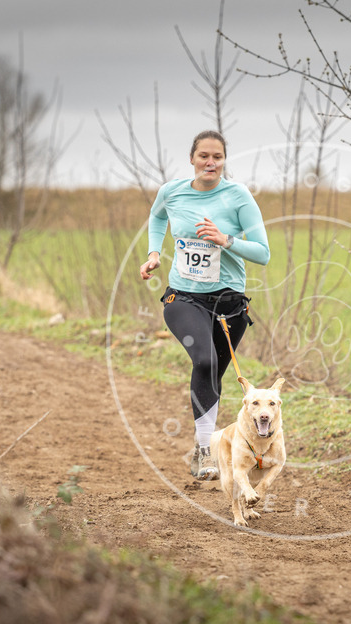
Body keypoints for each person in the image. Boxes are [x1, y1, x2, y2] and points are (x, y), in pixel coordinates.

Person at [139, 130, 270, 481]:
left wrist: (226, 240)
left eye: (218, 157)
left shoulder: (238, 196)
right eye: (204, 156)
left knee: (213, 374)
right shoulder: (172, 192)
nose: (211, 162)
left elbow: (263, 253)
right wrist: (154, 253)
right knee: (205, 359)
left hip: (230, 302)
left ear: (224, 161)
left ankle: (204, 448)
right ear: (192, 159)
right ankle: (205, 449)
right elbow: (157, 217)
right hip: (184, 297)